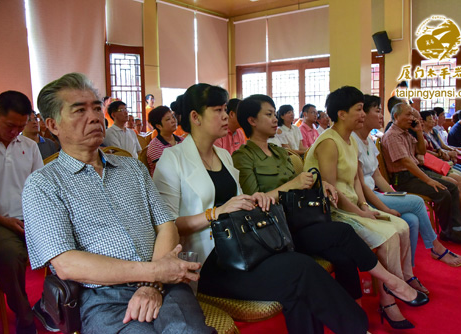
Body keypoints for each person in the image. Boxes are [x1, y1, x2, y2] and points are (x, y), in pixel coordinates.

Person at [153, 83, 370, 334]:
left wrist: (252, 198)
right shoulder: (173, 159)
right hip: (208, 261)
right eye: (218, 110)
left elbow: (236, 202)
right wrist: (216, 213)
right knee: (301, 271)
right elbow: (168, 225)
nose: (226, 115)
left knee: (298, 282)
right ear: (195, 117)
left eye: (226, 109)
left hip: (242, 247)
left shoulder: (223, 156)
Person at [22, 73, 213, 334]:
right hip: (102, 297)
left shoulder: (132, 168)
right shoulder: (43, 184)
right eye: (79, 110)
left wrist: (152, 282)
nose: (95, 117)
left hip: (164, 286)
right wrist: (154, 272)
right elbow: (67, 264)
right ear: (53, 125)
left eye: (96, 108)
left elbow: (167, 226)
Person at [232, 94, 428, 328]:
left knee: (343, 256)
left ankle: (356, 310)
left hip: (301, 219)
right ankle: (392, 283)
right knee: (343, 232)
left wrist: (318, 182)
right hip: (276, 230)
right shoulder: (242, 157)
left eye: (275, 114)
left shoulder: (281, 153)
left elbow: (304, 184)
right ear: (251, 121)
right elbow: (256, 202)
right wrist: (293, 185)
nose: (276, 119)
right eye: (269, 114)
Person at [303, 86, 428, 328]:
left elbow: (356, 181)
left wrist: (363, 204)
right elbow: (330, 189)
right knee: (390, 236)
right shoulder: (329, 142)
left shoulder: (349, 140)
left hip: (352, 205)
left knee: (402, 226)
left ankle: (399, 282)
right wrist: (360, 212)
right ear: (341, 113)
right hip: (334, 210)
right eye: (359, 109)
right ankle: (388, 298)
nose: (363, 114)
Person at [353, 95, 461, 267]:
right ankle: (437, 246)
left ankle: (408, 271)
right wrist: (386, 206)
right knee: (419, 201)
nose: (382, 116)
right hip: (368, 196)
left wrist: (395, 196)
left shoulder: (368, 140)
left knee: (412, 219)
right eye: (377, 111)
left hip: (377, 191)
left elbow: (378, 176)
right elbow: (361, 184)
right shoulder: (370, 139)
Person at [381, 103, 461, 246]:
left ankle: (455, 228)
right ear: (396, 116)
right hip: (404, 178)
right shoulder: (393, 136)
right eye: (408, 115)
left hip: (413, 173)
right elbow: (407, 163)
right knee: (442, 192)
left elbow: (421, 151)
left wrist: (419, 132)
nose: (412, 118)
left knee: (451, 186)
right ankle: (449, 231)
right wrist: (428, 180)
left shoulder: (406, 133)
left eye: (413, 115)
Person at [0, 90, 44, 334]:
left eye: (21, 126)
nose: (15, 132)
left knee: (66, 242)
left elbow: (39, 188)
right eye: (10, 125)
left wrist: (36, 220)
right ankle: (25, 318)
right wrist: (5, 220)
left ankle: (55, 305)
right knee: (10, 255)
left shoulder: (30, 147)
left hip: (28, 218)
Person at [147, 106, 184, 176]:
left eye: (173, 117)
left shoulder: (182, 140)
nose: (173, 120)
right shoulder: (155, 146)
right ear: (158, 126)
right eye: (168, 119)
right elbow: (166, 172)